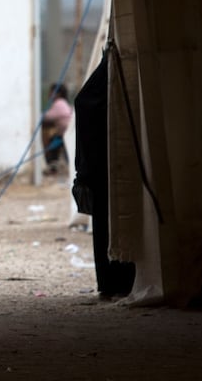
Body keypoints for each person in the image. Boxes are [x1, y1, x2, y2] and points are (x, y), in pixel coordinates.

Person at [71, 53, 135, 297]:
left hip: (99, 169)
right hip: (106, 167)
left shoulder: (93, 97)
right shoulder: (100, 96)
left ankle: (111, 284)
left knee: (105, 227)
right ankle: (117, 282)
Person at [42, 82, 73, 174]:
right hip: (67, 133)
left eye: (51, 92)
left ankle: (52, 168)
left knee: (52, 146)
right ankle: (56, 167)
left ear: (57, 93)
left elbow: (47, 117)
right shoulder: (64, 103)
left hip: (66, 134)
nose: (49, 95)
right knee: (63, 149)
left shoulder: (59, 104)